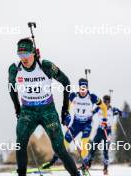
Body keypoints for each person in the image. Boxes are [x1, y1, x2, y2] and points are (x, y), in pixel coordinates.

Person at [8, 38, 81, 176]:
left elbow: (66, 83)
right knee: (20, 144)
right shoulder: (14, 69)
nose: (23, 58)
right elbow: (11, 89)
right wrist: (17, 108)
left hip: (47, 110)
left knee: (59, 148)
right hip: (27, 111)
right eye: (20, 55)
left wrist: (65, 109)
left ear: (33, 53)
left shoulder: (45, 66)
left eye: (26, 54)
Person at [42, 78, 107, 169]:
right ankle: (52, 162)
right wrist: (66, 116)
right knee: (64, 144)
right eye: (81, 88)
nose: (83, 91)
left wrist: (104, 120)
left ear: (87, 88)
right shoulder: (73, 96)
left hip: (87, 125)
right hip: (76, 124)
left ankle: (85, 165)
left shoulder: (92, 97)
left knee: (84, 145)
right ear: (79, 87)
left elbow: (104, 107)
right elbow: (67, 107)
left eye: (85, 88)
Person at [82, 95, 122, 175]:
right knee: (93, 147)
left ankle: (105, 169)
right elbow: (92, 113)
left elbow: (122, 113)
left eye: (107, 102)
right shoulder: (99, 108)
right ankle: (88, 164)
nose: (105, 104)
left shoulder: (113, 110)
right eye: (104, 102)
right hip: (100, 130)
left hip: (108, 131)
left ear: (109, 102)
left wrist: (119, 113)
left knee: (105, 151)